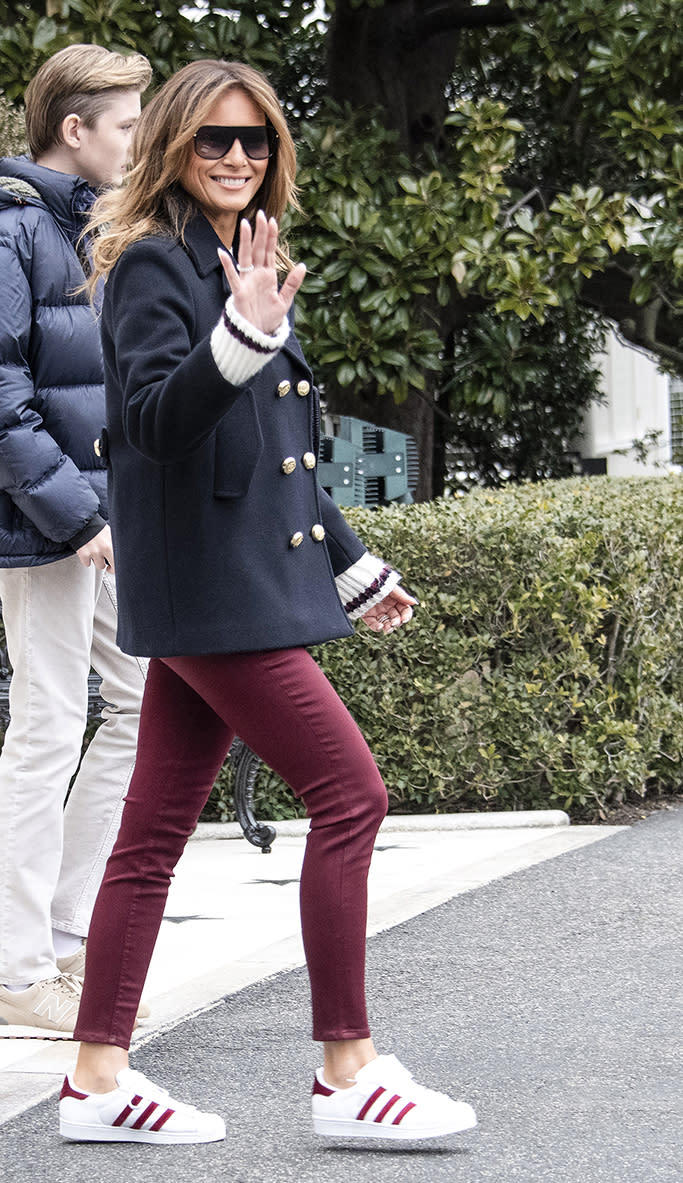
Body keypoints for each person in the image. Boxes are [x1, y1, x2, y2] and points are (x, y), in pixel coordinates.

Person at [58, 59, 477, 1145]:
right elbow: (153, 424)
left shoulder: (242, 256)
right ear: (174, 150)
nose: (236, 157)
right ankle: (346, 1072)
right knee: (352, 796)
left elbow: (279, 453)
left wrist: (349, 562)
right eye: (212, 140)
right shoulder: (155, 265)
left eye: (253, 139)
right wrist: (236, 340)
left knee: (150, 832)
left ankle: (97, 1080)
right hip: (209, 594)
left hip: (225, 584)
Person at [0, 44, 152, 1038]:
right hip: (40, 524)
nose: (141, 143)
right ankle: (17, 968)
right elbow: (4, 395)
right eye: (129, 125)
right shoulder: (12, 231)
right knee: (50, 722)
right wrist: (78, 514)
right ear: (74, 131)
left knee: (144, 705)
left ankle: (64, 936)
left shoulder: (96, 230)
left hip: (103, 518)